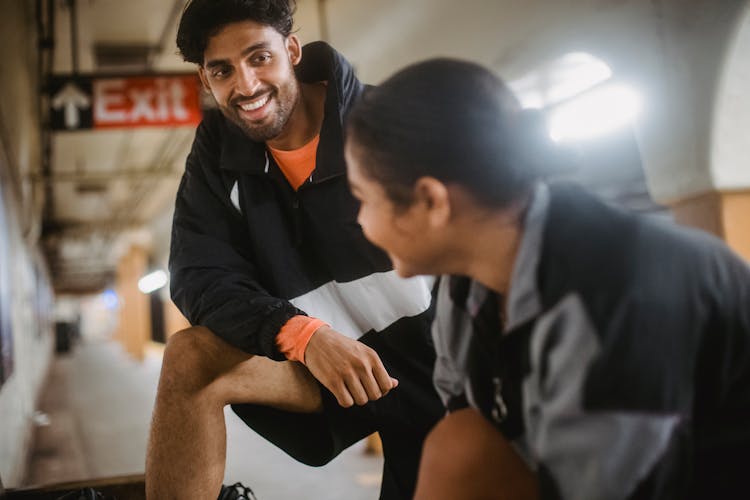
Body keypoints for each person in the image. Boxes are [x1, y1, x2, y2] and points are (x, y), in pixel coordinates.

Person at [344, 58, 750, 499]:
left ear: (431, 201)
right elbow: (465, 428)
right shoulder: (466, 285)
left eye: (363, 199)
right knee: (459, 442)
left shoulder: (610, 299)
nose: (361, 222)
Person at [145, 1, 443, 499]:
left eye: (259, 57)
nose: (245, 86)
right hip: (328, 366)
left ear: (292, 50)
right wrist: (302, 334)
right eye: (223, 70)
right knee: (190, 357)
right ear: (205, 78)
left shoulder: (385, 126)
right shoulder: (217, 161)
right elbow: (200, 276)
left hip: (440, 368)